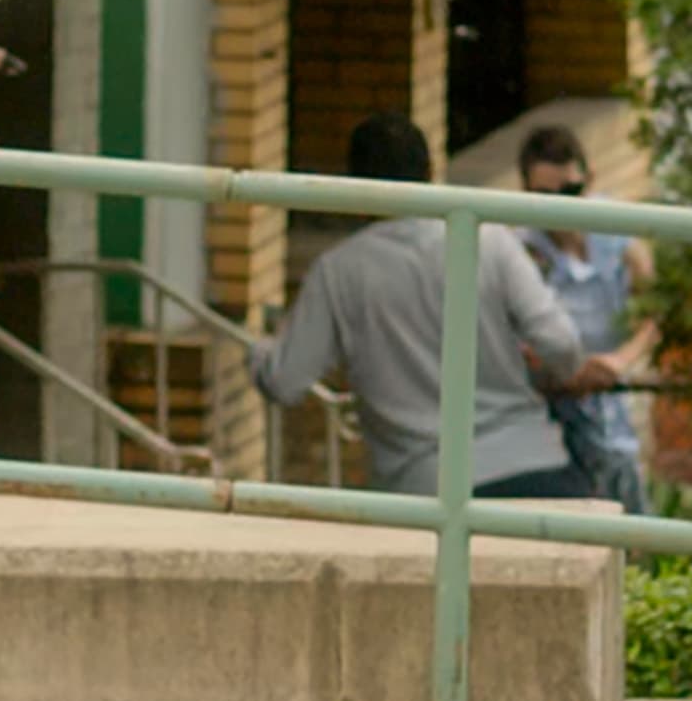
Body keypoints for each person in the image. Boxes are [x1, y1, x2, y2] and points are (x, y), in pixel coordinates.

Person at [252, 114, 590, 500]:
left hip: (426, 490)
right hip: (533, 468)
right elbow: (562, 345)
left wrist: (258, 348)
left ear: (352, 187)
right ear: (430, 174)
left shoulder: (340, 271)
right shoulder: (489, 240)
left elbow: (283, 380)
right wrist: (558, 375)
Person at [513, 124, 660, 514]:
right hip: (557, 415)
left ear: (589, 180)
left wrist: (621, 360)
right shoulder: (522, 250)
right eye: (544, 196)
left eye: (570, 191)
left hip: (619, 400)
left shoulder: (613, 228)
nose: (560, 207)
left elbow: (655, 308)